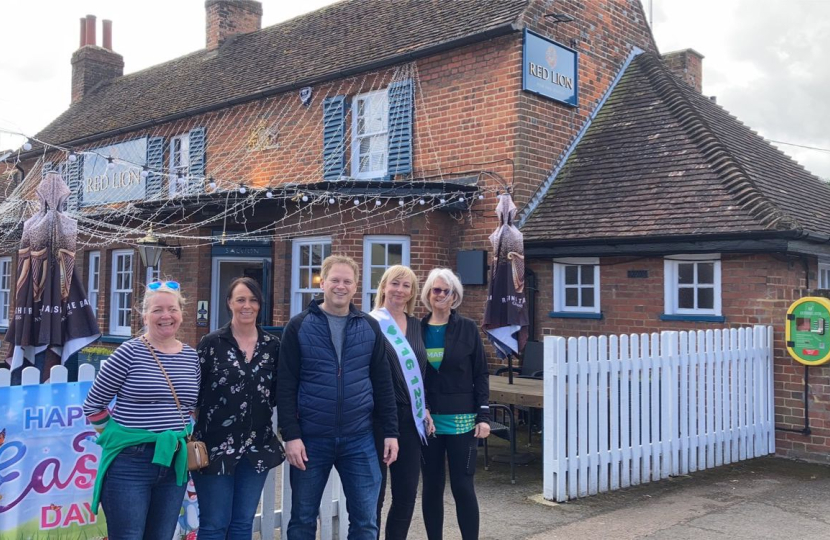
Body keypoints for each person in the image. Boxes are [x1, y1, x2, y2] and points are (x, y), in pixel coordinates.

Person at [277, 255, 399, 540]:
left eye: (347, 281)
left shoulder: (369, 327)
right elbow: (285, 385)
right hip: (311, 439)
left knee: (365, 522)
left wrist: (391, 432)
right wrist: (290, 434)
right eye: (334, 280)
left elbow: (383, 384)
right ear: (323, 282)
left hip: (359, 439)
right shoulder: (299, 326)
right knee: (303, 520)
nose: (340, 286)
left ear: (356, 286)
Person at [83, 280, 199, 540]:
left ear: (181, 313)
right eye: (157, 310)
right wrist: (120, 437)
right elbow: (93, 405)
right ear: (145, 315)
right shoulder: (128, 353)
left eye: (172, 309)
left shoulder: (191, 357)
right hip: (130, 464)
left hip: (174, 461)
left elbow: (190, 407)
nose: (166, 316)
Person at [192, 277, 285, 539]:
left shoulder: (273, 347)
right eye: (241, 299)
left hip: (257, 448)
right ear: (229, 303)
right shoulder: (211, 344)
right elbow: (194, 396)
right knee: (214, 524)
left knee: (243, 524)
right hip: (215, 447)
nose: (247, 305)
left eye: (253, 300)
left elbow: (280, 394)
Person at [420, 268, 490, 540]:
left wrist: (483, 414)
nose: (440, 295)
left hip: (463, 420)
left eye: (445, 291)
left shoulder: (468, 328)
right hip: (428, 422)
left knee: (463, 487)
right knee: (432, 487)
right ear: (428, 294)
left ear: (454, 296)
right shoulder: (418, 329)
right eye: (435, 290)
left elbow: (481, 373)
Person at [369, 265, 434, 539]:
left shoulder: (418, 326)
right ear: (384, 286)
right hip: (377, 417)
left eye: (406, 286)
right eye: (395, 283)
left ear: (412, 293)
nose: (400, 290)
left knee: (406, 493)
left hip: (411, 417)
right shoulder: (369, 323)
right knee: (375, 493)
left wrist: (426, 407)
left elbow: (422, 371)